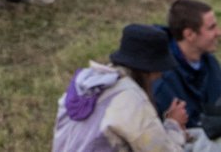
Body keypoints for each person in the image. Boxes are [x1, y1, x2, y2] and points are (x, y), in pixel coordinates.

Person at [54, 24, 188, 151]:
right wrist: (173, 125)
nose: (160, 75)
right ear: (150, 69)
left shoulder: (87, 83)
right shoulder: (131, 99)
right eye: (160, 69)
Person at [154, 0, 221, 133]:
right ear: (189, 35)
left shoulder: (210, 64)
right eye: (211, 28)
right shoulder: (162, 80)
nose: (218, 33)